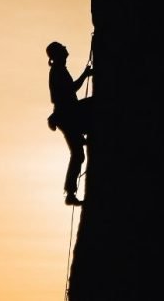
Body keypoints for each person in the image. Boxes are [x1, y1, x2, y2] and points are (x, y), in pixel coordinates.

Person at [46, 41, 93, 206]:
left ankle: (70, 192)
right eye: (63, 49)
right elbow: (71, 89)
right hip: (68, 116)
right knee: (78, 155)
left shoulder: (59, 70)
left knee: (78, 154)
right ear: (59, 54)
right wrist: (86, 74)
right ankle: (70, 193)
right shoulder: (58, 72)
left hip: (67, 115)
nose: (67, 50)